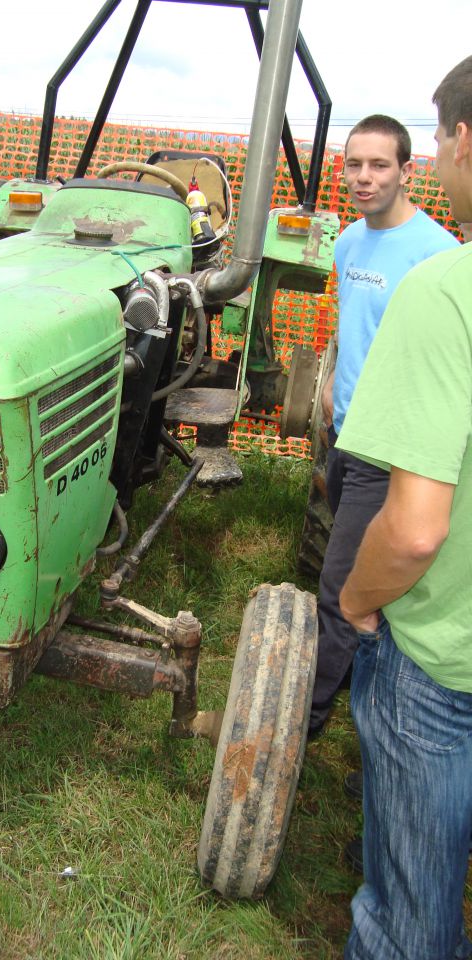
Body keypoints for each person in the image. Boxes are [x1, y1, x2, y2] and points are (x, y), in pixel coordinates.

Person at [337, 55, 472, 960]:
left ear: (460, 144)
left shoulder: (443, 277)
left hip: (441, 653)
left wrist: (358, 600)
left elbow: (417, 528)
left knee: (408, 913)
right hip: (362, 439)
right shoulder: (350, 246)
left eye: (435, 137)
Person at [308, 115, 459, 738]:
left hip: (392, 448)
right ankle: (372, 703)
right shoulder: (347, 243)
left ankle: (298, 722)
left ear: (407, 171)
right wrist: (328, 382)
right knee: (373, 589)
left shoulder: (438, 255)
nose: (363, 178)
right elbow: (352, 327)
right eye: (354, 165)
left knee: (342, 589)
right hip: (345, 434)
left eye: (378, 166)